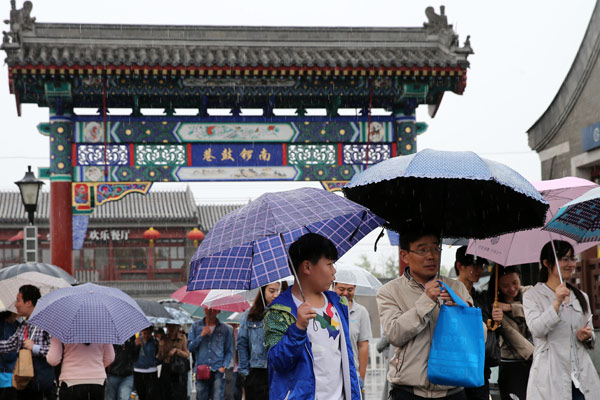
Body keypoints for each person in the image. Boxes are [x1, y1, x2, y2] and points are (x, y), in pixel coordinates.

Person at [377, 231, 475, 400]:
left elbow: (478, 336)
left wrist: (462, 310)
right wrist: (426, 300)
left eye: (436, 249)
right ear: (405, 256)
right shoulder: (389, 292)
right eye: (422, 250)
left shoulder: (456, 288)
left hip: (453, 389)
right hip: (409, 391)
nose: (431, 256)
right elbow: (395, 334)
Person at [264, 232, 361, 400]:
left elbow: (346, 358)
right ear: (307, 267)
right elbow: (278, 363)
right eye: (329, 264)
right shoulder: (279, 312)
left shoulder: (338, 304)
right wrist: (298, 328)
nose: (334, 271)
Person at [523, 240, 600, 400]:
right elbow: (536, 330)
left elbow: (591, 336)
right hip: (550, 377)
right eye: (564, 259)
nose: (571, 264)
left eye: (572, 258)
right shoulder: (532, 296)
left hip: (581, 376)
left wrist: (587, 336)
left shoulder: (581, 296)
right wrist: (556, 303)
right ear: (546, 263)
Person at [0, 285, 56, 400]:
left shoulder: (47, 323)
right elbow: (10, 344)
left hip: (42, 387)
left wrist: (34, 347)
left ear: (29, 303)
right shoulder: (24, 325)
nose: (15, 304)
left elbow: (54, 353)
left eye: (18, 300)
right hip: (25, 384)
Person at [487, 264, 533, 400]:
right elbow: (509, 333)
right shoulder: (495, 306)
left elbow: (536, 313)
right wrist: (534, 353)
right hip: (512, 363)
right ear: (498, 287)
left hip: (537, 359)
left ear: (519, 277)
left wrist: (510, 307)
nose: (512, 289)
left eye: (515, 282)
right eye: (505, 286)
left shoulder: (529, 292)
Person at [454, 246, 493, 400]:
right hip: (456, 365)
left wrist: (496, 320)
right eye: (474, 266)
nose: (479, 270)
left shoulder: (481, 297)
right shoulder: (448, 294)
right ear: (459, 266)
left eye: (481, 266)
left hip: (480, 367)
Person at [237, 281, 281, 400]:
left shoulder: (283, 315)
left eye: (278, 291)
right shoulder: (249, 315)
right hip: (256, 371)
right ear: (263, 291)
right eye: (272, 291)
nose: (276, 295)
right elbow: (242, 343)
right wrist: (245, 372)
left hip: (278, 371)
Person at [333, 281, 372, 396]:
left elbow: (363, 345)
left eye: (350, 290)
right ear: (333, 287)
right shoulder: (328, 310)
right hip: (332, 374)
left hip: (352, 373)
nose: (345, 293)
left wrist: (361, 376)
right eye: (341, 289)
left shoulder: (361, 312)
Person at [46, 337, 114, 400]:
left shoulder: (62, 329)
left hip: (70, 381)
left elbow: (53, 360)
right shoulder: (103, 330)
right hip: (98, 381)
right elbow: (110, 357)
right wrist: (96, 367)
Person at [187, 308, 232, 400]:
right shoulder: (195, 327)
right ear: (204, 310)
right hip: (201, 369)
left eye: (213, 310)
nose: (209, 312)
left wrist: (223, 366)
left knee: (217, 397)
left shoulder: (225, 329)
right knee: (201, 397)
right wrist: (201, 335)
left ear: (218, 311)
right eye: (207, 309)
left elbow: (229, 350)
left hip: (218, 370)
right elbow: (190, 347)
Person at [158, 323, 190, 400]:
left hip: (178, 370)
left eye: (174, 326)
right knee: (166, 393)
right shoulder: (163, 338)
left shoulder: (182, 338)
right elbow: (159, 357)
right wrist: (161, 347)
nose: (171, 329)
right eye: (169, 326)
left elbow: (187, 354)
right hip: (167, 368)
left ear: (177, 327)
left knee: (179, 394)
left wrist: (177, 351)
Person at [106, 336, 139, 400]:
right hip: (113, 374)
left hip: (127, 375)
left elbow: (135, 358)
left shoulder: (131, 337)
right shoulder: (110, 338)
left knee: (124, 397)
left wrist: (137, 347)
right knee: (111, 398)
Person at [133, 326, 160, 400]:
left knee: (151, 395)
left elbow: (158, 354)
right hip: (138, 370)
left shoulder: (155, 342)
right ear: (141, 332)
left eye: (149, 333)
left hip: (151, 370)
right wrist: (136, 346)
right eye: (145, 333)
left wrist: (155, 362)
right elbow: (133, 356)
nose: (146, 335)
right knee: (141, 394)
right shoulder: (137, 340)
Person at [0, 311, 18, 400]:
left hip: (9, 372)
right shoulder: (8, 326)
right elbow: (9, 355)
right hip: (7, 372)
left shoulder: (16, 325)